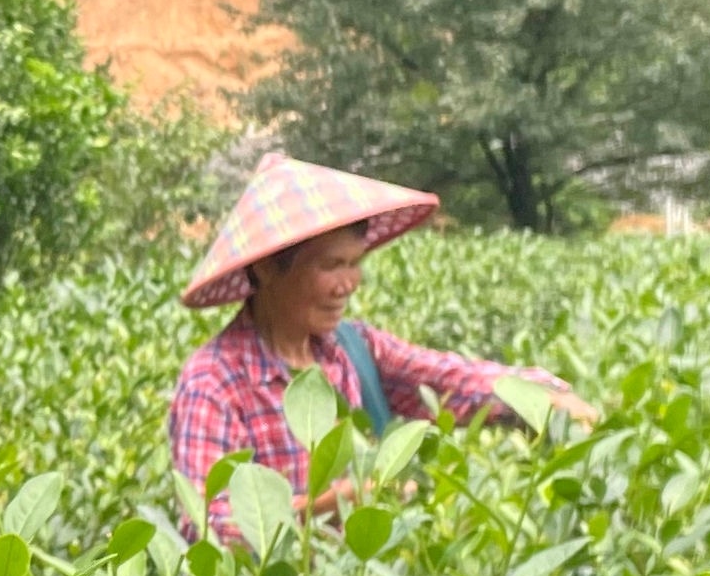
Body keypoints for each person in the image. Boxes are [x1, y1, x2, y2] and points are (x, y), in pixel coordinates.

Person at [166, 153, 586, 538]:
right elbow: (212, 526)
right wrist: (327, 508)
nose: (348, 284)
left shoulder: (351, 347)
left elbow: (449, 381)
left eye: (355, 264)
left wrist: (546, 396)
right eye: (331, 265)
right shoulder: (215, 383)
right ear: (266, 268)